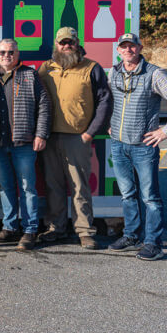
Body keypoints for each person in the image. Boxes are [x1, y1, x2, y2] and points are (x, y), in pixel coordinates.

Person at [106, 33, 167, 261]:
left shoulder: (154, 74)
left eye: (131, 46)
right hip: (119, 144)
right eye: (124, 47)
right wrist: (109, 124)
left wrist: (165, 131)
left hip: (144, 147)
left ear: (139, 48)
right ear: (118, 50)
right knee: (127, 194)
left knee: (150, 197)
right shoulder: (114, 72)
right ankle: (131, 236)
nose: (128, 50)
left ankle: (153, 243)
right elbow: (107, 100)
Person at [37, 27, 112, 250]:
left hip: (77, 138)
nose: (66, 46)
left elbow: (105, 102)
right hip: (50, 137)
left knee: (79, 186)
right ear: (56, 45)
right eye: (62, 42)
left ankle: (85, 231)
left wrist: (90, 132)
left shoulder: (91, 67)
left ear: (77, 44)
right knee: (53, 184)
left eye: (70, 42)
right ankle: (55, 228)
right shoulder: (46, 68)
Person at [0, 39, 51, 251]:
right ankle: (10, 227)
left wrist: (41, 134)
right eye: (2, 52)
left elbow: (44, 104)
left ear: (17, 54)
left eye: (11, 52)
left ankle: (30, 230)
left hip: (24, 143)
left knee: (27, 187)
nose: (6, 56)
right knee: (5, 186)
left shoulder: (30, 75)